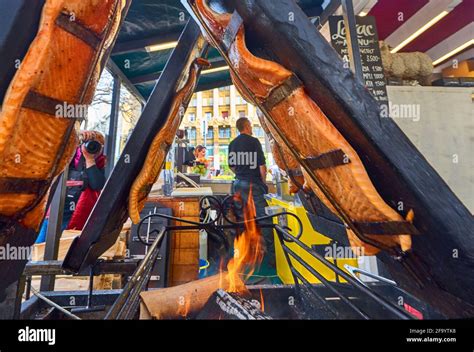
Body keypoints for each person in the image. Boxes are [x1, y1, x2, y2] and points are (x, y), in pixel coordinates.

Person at [35, 131, 106, 242]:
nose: (92, 147)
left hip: (78, 214)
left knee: (65, 247)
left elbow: (96, 184)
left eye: (97, 145)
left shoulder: (99, 162)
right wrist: (76, 140)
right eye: (89, 143)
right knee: (40, 246)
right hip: (56, 209)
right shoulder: (70, 156)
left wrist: (90, 159)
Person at [228, 117, 276, 278]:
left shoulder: (233, 144)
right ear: (247, 126)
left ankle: (242, 255)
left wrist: (240, 174)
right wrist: (264, 184)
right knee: (265, 219)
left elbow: (231, 166)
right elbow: (262, 167)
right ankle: (271, 259)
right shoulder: (254, 142)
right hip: (253, 185)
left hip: (238, 184)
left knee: (242, 220)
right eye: (250, 126)